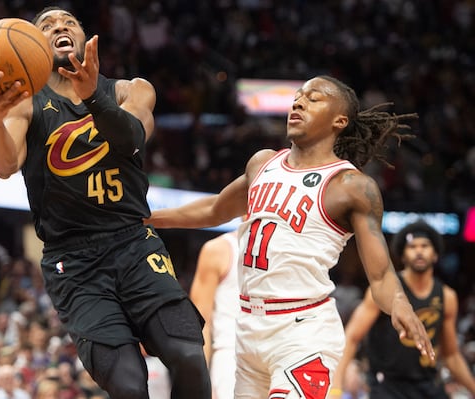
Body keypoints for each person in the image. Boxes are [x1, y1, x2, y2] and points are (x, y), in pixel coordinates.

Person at [0, 6, 211, 399]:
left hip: (133, 243)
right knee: (130, 385)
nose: (59, 26)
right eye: (46, 25)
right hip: (74, 263)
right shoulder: (26, 105)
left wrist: (93, 96)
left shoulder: (131, 89)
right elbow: (3, 164)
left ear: (85, 40)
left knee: (188, 356)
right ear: (33, 48)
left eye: (69, 23)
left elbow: (131, 139)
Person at [147, 75, 436, 399]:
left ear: (340, 120)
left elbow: (381, 274)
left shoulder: (351, 186)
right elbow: (216, 209)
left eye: (314, 98)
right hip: (248, 332)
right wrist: (147, 217)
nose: (298, 102)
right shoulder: (263, 162)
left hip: (303, 332)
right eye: (298, 96)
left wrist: (399, 303)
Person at [329, 220, 475, 398]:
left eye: (424, 246)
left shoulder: (447, 296)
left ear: (435, 254)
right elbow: (351, 338)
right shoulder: (385, 289)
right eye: (412, 247)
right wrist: (336, 386)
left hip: (426, 384)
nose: (419, 251)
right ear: (403, 255)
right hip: (387, 384)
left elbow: (451, 355)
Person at [189, 230, 239, 399]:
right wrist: (200, 384)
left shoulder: (296, 244)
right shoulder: (219, 249)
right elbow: (200, 325)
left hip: (283, 352)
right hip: (231, 357)